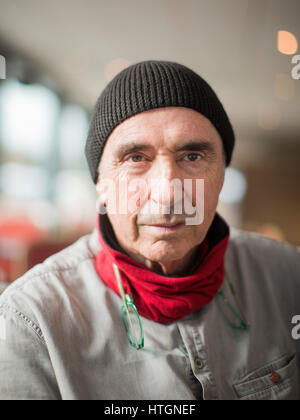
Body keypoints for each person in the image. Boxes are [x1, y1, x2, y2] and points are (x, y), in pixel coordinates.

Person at [0, 60, 299, 400]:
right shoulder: (31, 321)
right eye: (135, 158)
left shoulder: (287, 275)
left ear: (222, 178)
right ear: (100, 183)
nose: (168, 192)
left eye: (193, 156)